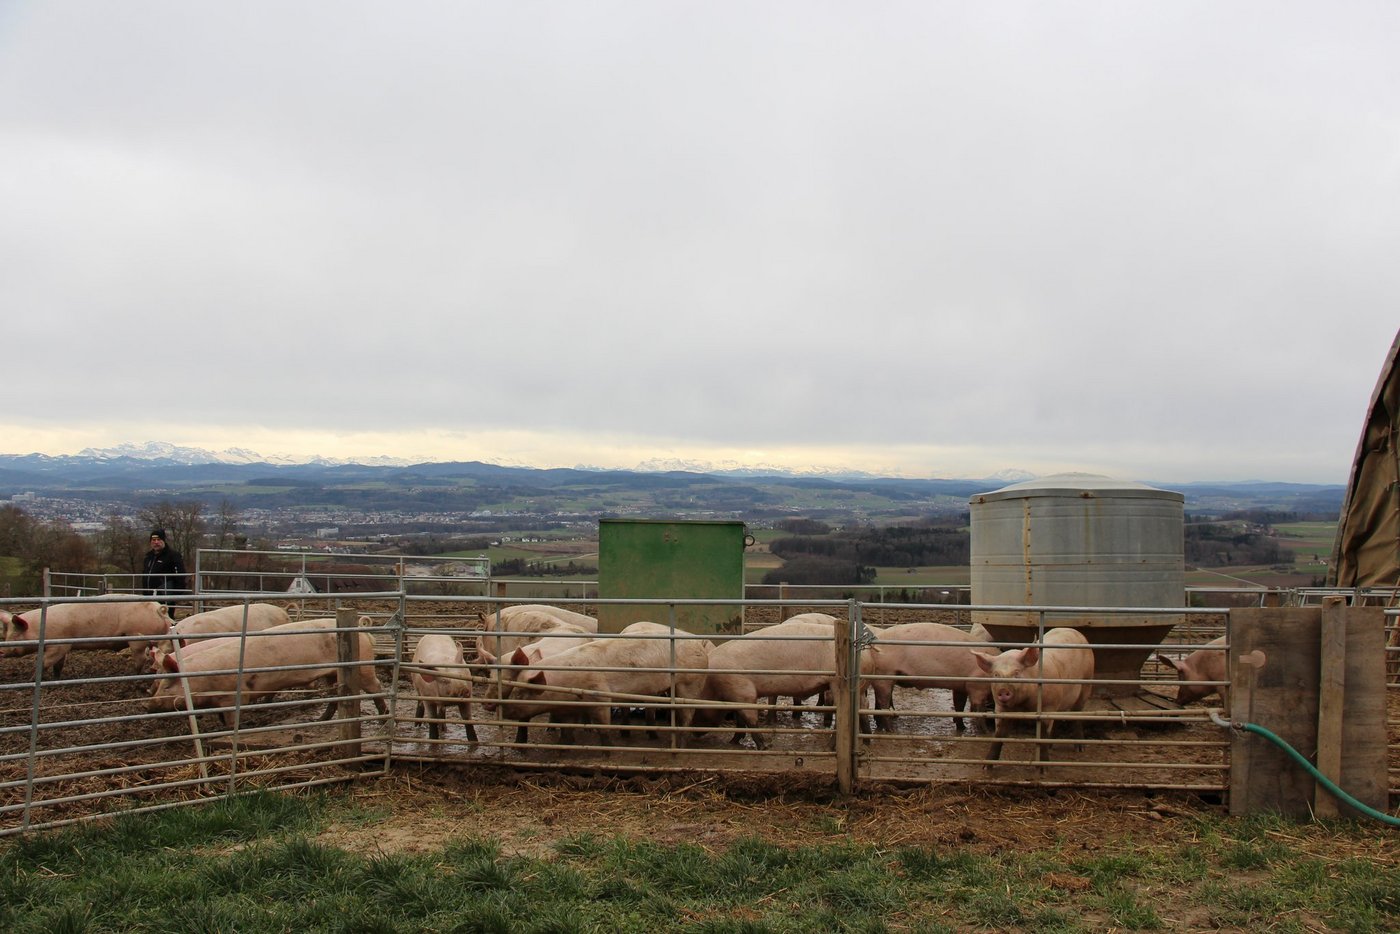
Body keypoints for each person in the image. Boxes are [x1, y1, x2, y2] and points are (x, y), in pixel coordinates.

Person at [142, 528, 187, 606]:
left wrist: (175, 594)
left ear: (163, 541)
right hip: (148, 596)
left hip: (165, 596)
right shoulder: (148, 557)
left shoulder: (173, 556)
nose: (156, 542)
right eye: (153, 540)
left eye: (159, 539)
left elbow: (181, 575)